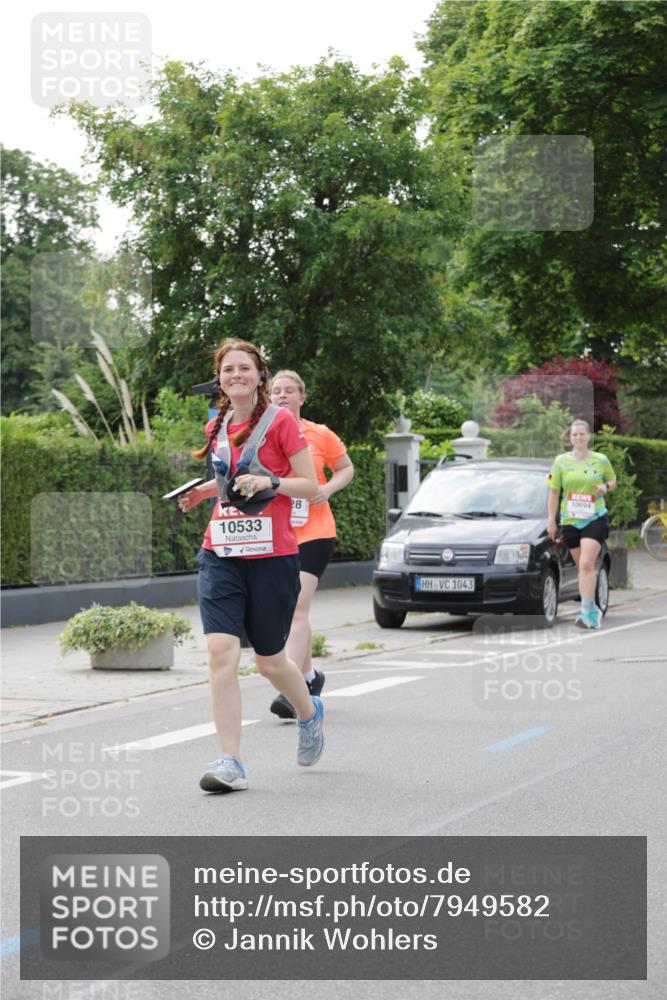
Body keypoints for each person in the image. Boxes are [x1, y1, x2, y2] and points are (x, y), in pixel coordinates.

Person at [176, 340, 324, 792]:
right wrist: (206, 491)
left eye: (244, 368)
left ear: (260, 376)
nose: (235, 375)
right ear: (220, 379)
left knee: (269, 661)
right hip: (220, 551)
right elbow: (230, 480)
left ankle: (309, 711)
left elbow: (310, 486)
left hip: (273, 556)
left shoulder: (281, 422)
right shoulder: (216, 424)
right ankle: (230, 761)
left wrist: (272, 481)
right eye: (227, 370)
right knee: (221, 653)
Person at [267, 370, 354, 719]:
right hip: (275, 532)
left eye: (290, 391)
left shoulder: (320, 434)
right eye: (276, 391)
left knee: (297, 608)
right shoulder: (262, 434)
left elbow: (346, 468)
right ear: (269, 398)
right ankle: (308, 676)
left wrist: (326, 490)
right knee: (288, 609)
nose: (283, 395)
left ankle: (292, 692)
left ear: (302, 398)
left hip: (314, 532)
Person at [546, 418, 617, 630]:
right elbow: (554, 492)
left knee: (587, 563)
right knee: (583, 568)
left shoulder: (600, 459)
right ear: (570, 437)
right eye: (574, 434)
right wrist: (551, 519)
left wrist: (605, 486)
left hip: (595, 518)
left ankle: (585, 612)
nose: (578, 437)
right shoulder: (560, 462)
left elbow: (613, 482)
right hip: (570, 521)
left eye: (582, 434)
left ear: (588, 436)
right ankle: (592, 607)